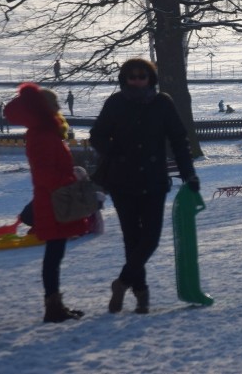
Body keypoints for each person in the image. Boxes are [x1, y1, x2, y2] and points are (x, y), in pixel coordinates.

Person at [89, 58, 199, 315]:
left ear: (151, 78)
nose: (137, 80)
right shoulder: (116, 103)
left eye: (142, 76)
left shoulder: (163, 103)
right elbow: (97, 135)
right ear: (124, 79)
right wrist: (113, 150)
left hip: (154, 180)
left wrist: (189, 174)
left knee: (150, 239)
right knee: (132, 239)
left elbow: (179, 140)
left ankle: (122, 282)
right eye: (131, 76)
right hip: (122, 181)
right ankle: (141, 295)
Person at [3, 83, 89, 323]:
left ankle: (55, 304)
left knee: (55, 254)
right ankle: (53, 306)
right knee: (53, 255)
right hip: (53, 201)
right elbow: (43, 173)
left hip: (53, 199)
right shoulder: (42, 134)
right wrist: (69, 180)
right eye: (55, 104)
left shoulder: (46, 131)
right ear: (45, 108)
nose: (59, 108)